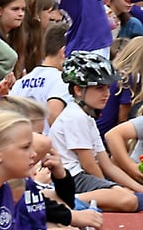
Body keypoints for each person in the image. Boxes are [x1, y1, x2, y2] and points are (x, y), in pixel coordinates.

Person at [50, 52, 143, 211]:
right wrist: (108, 189)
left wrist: (138, 188)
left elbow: (107, 165)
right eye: (99, 88)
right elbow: (89, 165)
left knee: (133, 197)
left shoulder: (86, 117)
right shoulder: (75, 116)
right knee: (129, 200)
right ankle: (60, 200)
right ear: (79, 90)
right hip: (72, 177)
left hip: (80, 177)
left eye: (107, 87)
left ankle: (72, 201)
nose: (106, 94)